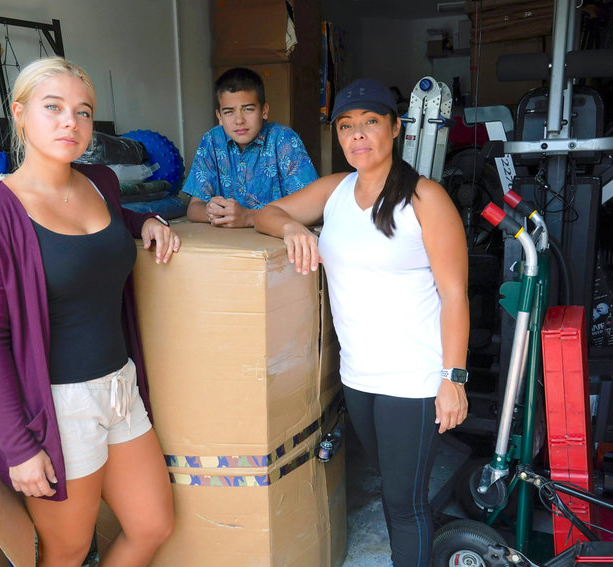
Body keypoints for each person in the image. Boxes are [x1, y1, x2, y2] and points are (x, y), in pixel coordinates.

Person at [0, 57, 177, 567]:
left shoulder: (100, 183)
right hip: (57, 408)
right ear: (20, 114)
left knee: (152, 524)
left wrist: (147, 222)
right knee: (68, 550)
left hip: (120, 386)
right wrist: (20, 444)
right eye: (52, 108)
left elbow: (111, 222)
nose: (69, 122)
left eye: (82, 111)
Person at [255, 78, 470, 567]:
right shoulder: (334, 192)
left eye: (371, 122)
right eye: (346, 126)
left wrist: (453, 379)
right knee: (391, 486)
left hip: (412, 378)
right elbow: (265, 214)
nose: (358, 135)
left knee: (403, 504)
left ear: (395, 128)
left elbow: (455, 295)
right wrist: (292, 226)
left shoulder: (424, 198)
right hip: (358, 375)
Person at [182, 67, 318, 227]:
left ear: (264, 110)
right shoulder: (212, 141)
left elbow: (314, 208)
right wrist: (216, 212)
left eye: (248, 109)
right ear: (219, 116)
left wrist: (247, 217)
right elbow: (194, 208)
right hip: (228, 245)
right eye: (229, 112)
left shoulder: (284, 140)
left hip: (276, 241)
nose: (239, 120)